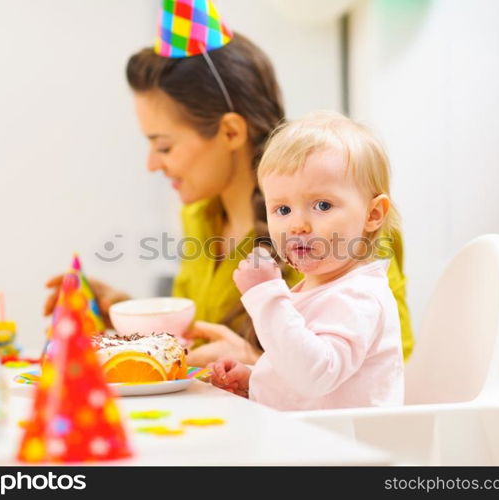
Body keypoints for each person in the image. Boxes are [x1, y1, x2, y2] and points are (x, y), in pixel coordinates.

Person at [44, 0, 413, 367]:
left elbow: (386, 369)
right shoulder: (200, 215)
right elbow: (203, 341)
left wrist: (252, 361)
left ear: (231, 132)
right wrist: (126, 314)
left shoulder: (340, 226)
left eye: (164, 146)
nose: (152, 163)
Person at [209, 111, 404, 410]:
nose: (297, 225)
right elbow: (303, 377)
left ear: (372, 214)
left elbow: (316, 376)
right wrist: (256, 381)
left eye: (322, 205)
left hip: (350, 452)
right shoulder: (317, 289)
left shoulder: (358, 296)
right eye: (283, 210)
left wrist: (265, 296)